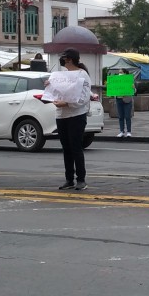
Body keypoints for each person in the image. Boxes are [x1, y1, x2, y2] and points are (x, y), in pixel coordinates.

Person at [51, 48, 92, 191]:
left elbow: (84, 97)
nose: (62, 60)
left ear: (70, 59)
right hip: (61, 115)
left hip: (76, 115)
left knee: (76, 148)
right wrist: (49, 89)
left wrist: (67, 103)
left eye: (64, 58)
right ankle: (69, 179)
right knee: (66, 148)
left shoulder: (82, 75)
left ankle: (81, 179)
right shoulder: (63, 75)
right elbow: (57, 92)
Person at [115, 68, 134, 138]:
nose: (120, 74)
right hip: (119, 99)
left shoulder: (129, 80)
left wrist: (133, 88)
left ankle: (129, 131)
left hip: (127, 100)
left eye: (121, 72)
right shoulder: (116, 81)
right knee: (120, 117)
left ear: (125, 73)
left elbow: (134, 91)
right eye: (119, 72)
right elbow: (113, 89)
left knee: (127, 116)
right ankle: (121, 131)